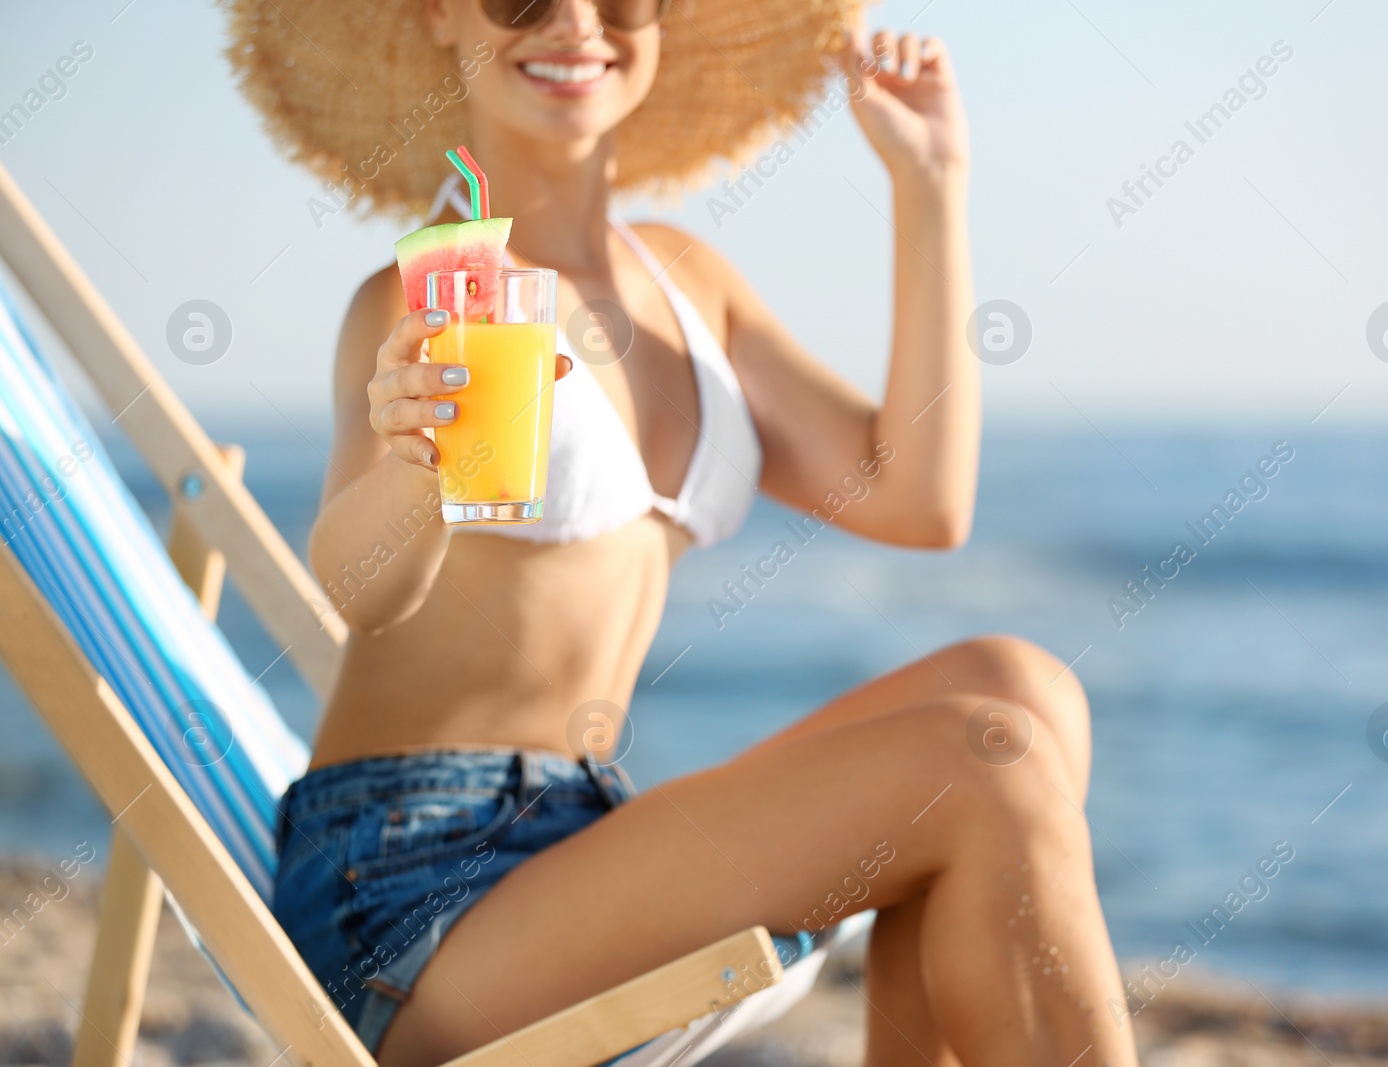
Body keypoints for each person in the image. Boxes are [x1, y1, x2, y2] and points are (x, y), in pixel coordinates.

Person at [226, 1, 1138, 1064]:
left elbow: (920, 499)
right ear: (440, 13)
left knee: (1023, 684)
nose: (574, 23)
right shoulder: (435, 298)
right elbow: (358, 587)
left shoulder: (685, 284)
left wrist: (929, 186)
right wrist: (422, 459)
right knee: (987, 761)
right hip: (412, 880)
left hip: (580, 833)